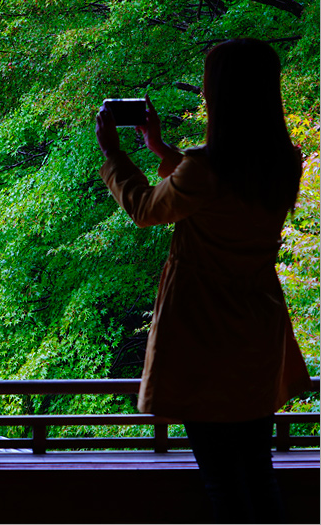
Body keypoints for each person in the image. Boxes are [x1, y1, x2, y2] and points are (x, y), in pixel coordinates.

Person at [94, 38, 312, 524]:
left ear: (219, 96)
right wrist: (162, 151)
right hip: (257, 330)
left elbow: (148, 209)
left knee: (221, 479)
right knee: (257, 471)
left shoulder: (206, 168)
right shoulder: (284, 162)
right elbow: (214, 196)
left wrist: (114, 155)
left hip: (203, 336)